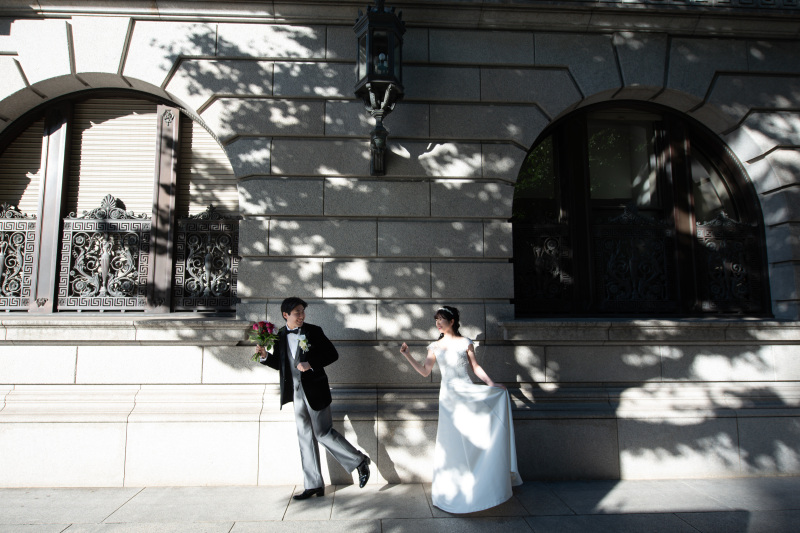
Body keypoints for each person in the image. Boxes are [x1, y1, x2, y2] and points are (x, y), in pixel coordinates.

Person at [399, 305, 522, 513]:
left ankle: (482, 484)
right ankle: (453, 490)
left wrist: (492, 384)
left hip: (467, 392)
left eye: (441, 320)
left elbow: (475, 367)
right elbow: (424, 371)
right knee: (452, 442)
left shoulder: (466, 342)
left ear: (452, 321)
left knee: (474, 437)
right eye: (436, 320)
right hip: (448, 398)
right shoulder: (435, 346)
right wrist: (407, 355)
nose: (438, 323)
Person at [256, 297, 371, 499]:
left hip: (315, 390)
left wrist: (311, 364)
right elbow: (282, 364)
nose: (301, 316)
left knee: (322, 433)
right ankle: (313, 484)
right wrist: (265, 356)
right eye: (297, 312)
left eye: (302, 312)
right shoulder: (280, 335)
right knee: (304, 437)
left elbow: (332, 355)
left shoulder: (313, 331)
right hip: (295, 393)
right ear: (286, 315)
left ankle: (359, 460)